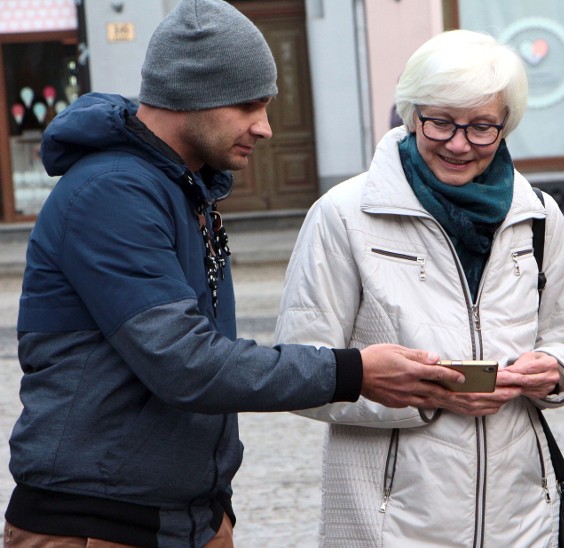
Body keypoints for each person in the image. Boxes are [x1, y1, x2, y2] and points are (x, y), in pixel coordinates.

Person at [3, 1, 463, 546]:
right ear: (189, 94)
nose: (265, 128)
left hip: (188, 515)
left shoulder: (180, 188)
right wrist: (354, 372)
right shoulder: (113, 191)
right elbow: (185, 363)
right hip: (98, 523)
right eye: (248, 106)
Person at [274, 29, 564, 546]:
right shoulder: (344, 215)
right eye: (440, 122)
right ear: (410, 113)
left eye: (482, 127)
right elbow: (299, 369)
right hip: (390, 528)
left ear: (506, 126)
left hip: (520, 523)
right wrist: (414, 394)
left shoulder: (540, 217)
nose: (460, 143)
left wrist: (553, 372)